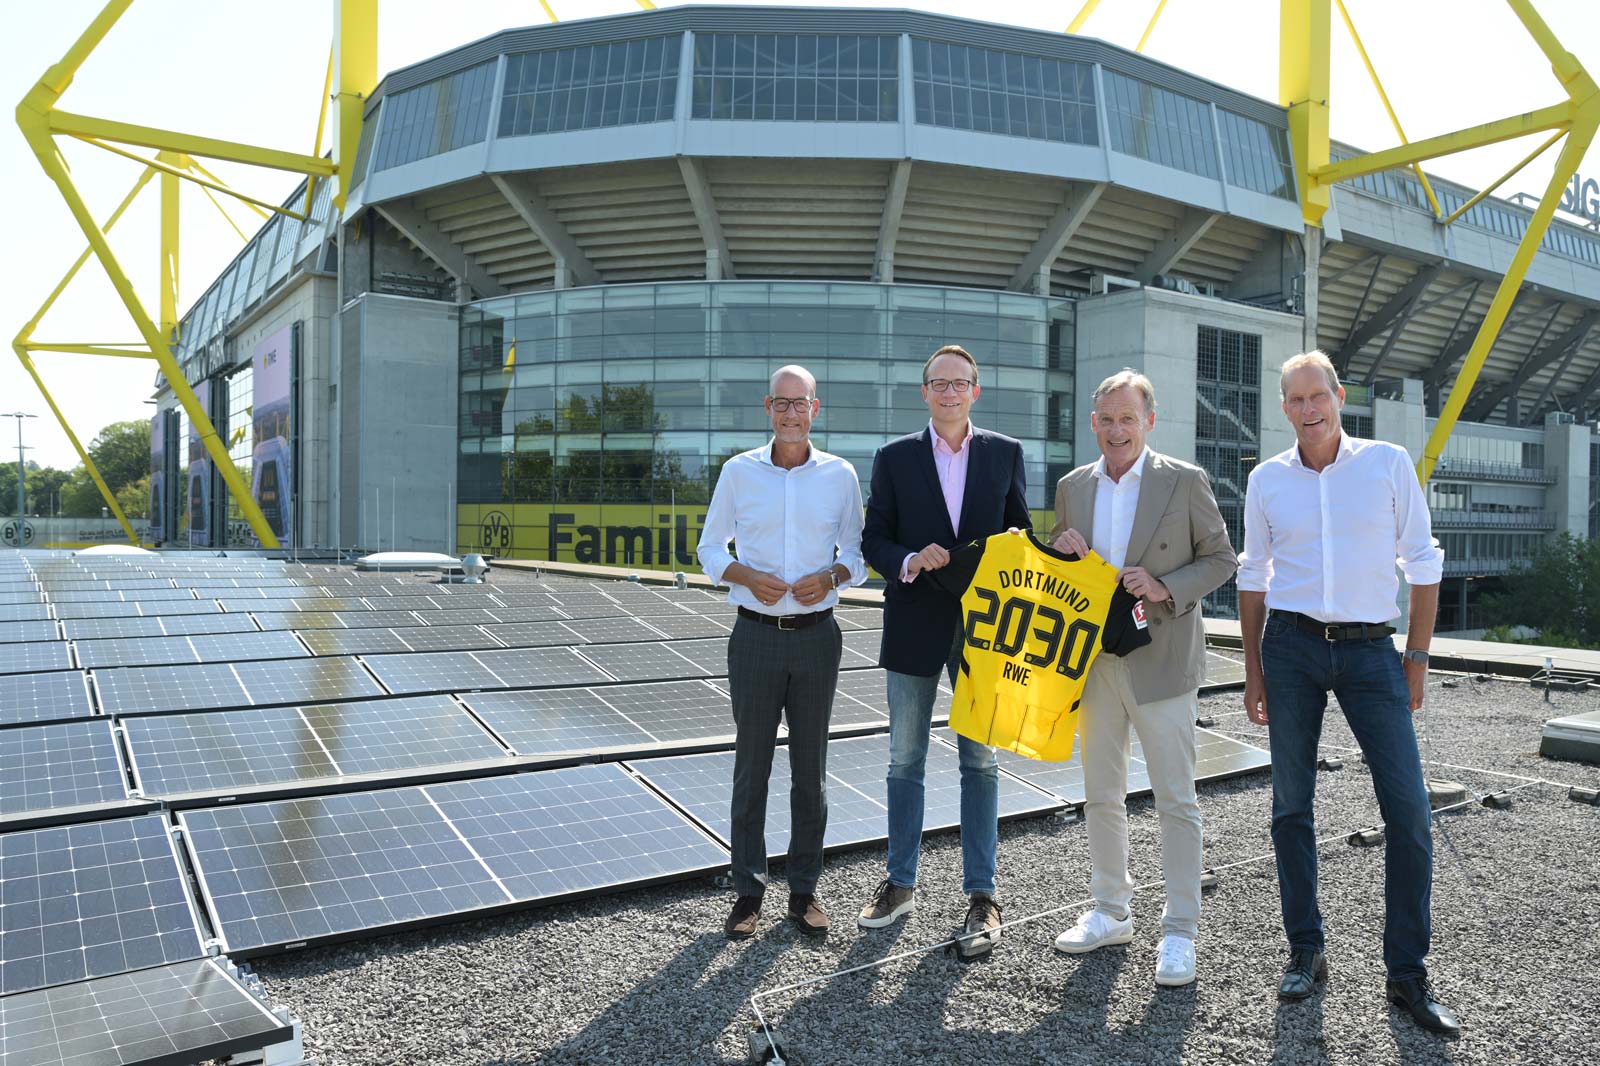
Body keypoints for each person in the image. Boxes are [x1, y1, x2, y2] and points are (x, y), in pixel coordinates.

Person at [1238, 351, 1457, 1034]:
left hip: (1370, 650)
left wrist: (1416, 658)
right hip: (1293, 648)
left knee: (1410, 813)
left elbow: (1423, 562)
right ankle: (1306, 951)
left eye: (1318, 396)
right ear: (1283, 407)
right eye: (1295, 399)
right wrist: (1252, 669)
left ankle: (1407, 976)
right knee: (1290, 808)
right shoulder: (1267, 479)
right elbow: (1253, 574)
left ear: (1339, 396)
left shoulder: (1387, 463)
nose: (1308, 409)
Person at [1047, 369, 1237, 987]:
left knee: (1175, 800)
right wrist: (1059, 546)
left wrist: (1164, 586)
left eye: (1128, 418)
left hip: (1161, 660)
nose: (1116, 430)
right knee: (1102, 793)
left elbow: (1221, 559)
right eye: (1105, 418)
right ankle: (1110, 910)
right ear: (1093, 422)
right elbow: (1058, 567)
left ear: (1149, 421)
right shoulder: (1073, 486)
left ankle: (1180, 928)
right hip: (1094, 662)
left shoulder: (1184, 481)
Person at [857, 344, 1031, 959]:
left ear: (975, 392)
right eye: (940, 383)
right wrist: (906, 559)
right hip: (913, 624)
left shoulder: (1005, 454)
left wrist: (1031, 543)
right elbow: (873, 537)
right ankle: (900, 883)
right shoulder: (894, 458)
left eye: (961, 384)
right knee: (905, 757)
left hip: (985, 630)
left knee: (979, 762)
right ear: (925, 391)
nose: (951, 393)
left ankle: (982, 895)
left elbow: (1021, 537)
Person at [697, 364, 867, 940]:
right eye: (781, 403)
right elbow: (708, 548)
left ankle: (803, 890)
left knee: (809, 772)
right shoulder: (738, 472)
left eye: (802, 403)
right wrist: (743, 573)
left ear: (815, 410)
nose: (792, 413)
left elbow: (859, 554)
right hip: (754, 637)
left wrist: (834, 574)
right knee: (752, 766)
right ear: (767, 407)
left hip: (818, 637)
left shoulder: (840, 476)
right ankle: (747, 890)